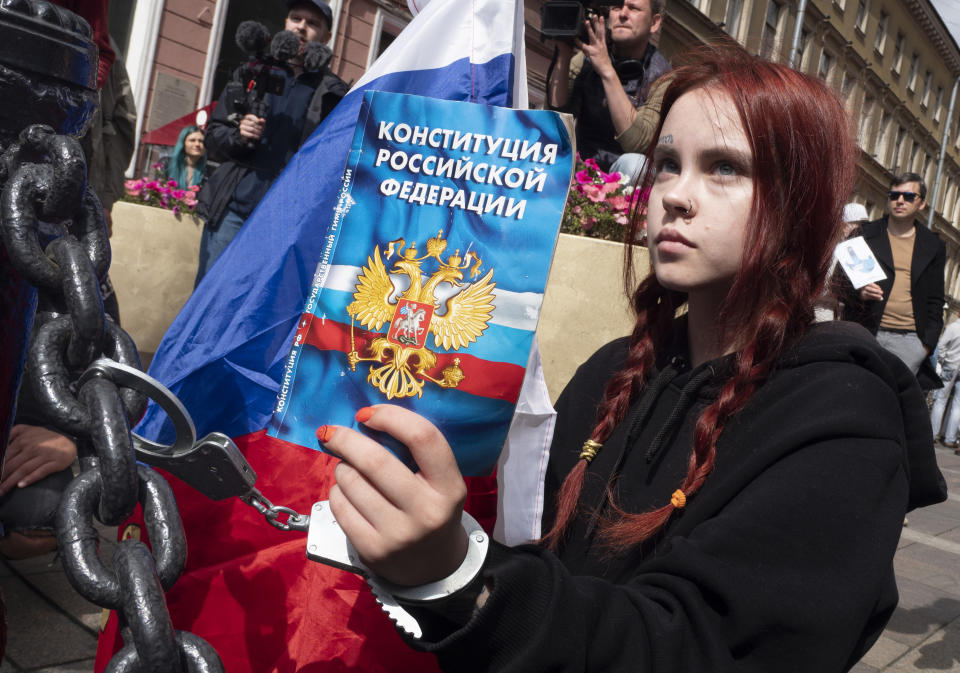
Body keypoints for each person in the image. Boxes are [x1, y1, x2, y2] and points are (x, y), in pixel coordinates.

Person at [314, 45, 946, 672]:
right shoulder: (614, 369)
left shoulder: (841, 415)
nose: (675, 195)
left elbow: (698, 646)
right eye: (667, 163)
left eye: (724, 168)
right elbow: (533, 545)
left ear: (798, 205)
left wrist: (460, 579)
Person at [194, 0, 348, 284]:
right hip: (233, 208)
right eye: (296, 18)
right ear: (286, 23)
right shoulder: (253, 72)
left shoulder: (334, 94)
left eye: (312, 23)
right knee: (208, 292)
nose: (302, 27)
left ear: (326, 36)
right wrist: (239, 133)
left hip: (285, 220)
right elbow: (213, 137)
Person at [841, 173, 946, 388]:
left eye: (908, 196)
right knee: (852, 394)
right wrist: (859, 293)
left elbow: (935, 300)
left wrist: (924, 347)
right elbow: (839, 284)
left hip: (909, 342)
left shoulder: (933, 245)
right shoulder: (863, 235)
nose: (900, 201)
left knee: (890, 406)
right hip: (866, 331)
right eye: (894, 195)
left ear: (922, 204)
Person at [546, 0, 671, 177]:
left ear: (654, 23)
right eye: (617, 7)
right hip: (581, 167)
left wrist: (606, 70)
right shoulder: (585, 60)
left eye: (633, 8)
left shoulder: (664, 77)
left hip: (624, 179)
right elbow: (555, 117)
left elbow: (638, 142)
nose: (622, 14)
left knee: (636, 164)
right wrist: (564, 52)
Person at [931, 316, 960, 450]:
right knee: (957, 405)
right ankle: (950, 438)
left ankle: (933, 433)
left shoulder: (953, 327)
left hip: (950, 366)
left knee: (940, 400)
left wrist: (942, 360)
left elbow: (942, 345)